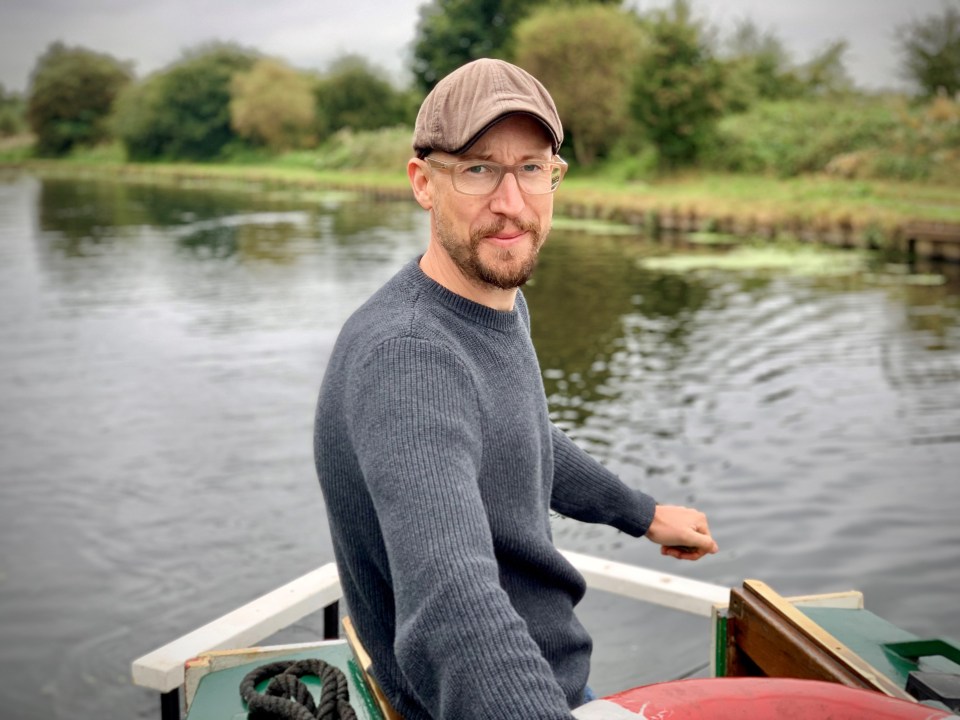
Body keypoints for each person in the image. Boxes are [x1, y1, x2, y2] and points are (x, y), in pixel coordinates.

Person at [313, 58, 718, 720]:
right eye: (478, 168)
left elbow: (518, 429)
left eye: (532, 168)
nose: (512, 202)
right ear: (424, 182)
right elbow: (454, 604)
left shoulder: (494, 301)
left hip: (554, 685)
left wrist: (638, 512)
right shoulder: (408, 359)